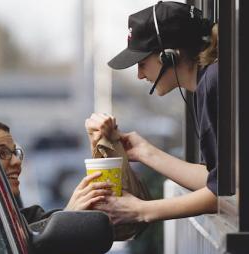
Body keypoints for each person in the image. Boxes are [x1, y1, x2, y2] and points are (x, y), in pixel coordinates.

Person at [85, 1, 219, 225]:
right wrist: (144, 152)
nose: (139, 75)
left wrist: (142, 210)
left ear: (170, 56)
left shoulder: (213, 83)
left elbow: (228, 194)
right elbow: (215, 181)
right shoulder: (206, 83)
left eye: (142, 63)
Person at [0, 119, 112, 223]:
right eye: (1, 153)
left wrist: (68, 215)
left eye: (16, 153)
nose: (16, 161)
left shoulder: (13, 216)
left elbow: (34, 229)